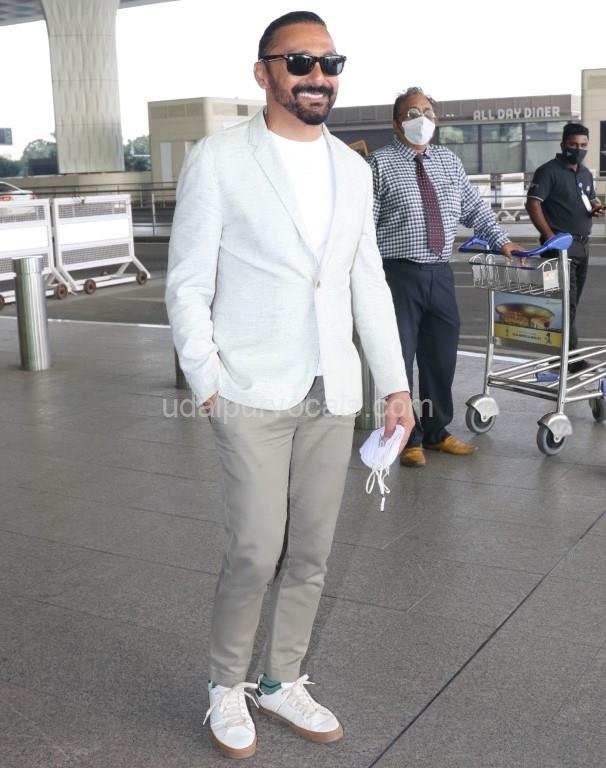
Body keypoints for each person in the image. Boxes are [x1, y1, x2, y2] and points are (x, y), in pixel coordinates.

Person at [165, 11, 414, 760]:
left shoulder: (354, 169)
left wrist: (395, 385)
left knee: (310, 551)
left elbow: (366, 282)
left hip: (330, 390)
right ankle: (225, 685)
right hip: (248, 388)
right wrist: (208, 381)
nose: (318, 77)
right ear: (263, 72)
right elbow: (187, 281)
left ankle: (281, 680)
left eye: (330, 63)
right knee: (253, 549)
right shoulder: (219, 159)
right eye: (299, 62)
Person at [368, 87, 521, 468]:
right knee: (400, 358)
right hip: (397, 274)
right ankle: (408, 437)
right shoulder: (379, 165)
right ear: (396, 123)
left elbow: (474, 208)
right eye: (411, 113)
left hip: (440, 273)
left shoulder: (448, 162)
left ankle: (437, 432)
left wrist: (503, 242)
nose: (421, 119)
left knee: (440, 357)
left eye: (427, 112)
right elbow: (364, 226)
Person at [526, 122, 604, 371]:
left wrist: (596, 207)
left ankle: (563, 356)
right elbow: (533, 204)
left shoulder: (585, 173)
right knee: (563, 304)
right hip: (558, 248)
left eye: (583, 145)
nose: (578, 149)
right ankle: (567, 359)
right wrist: (550, 237)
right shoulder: (548, 172)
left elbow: (589, 199)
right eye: (573, 144)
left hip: (582, 246)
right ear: (563, 145)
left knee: (572, 304)